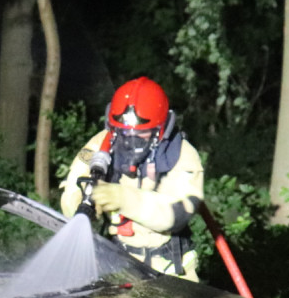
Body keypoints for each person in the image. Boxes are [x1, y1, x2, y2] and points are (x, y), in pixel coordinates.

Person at [59, 77, 205, 281]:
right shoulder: (99, 144)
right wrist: (78, 203)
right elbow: (75, 181)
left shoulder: (181, 156)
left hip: (169, 274)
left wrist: (123, 199)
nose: (128, 143)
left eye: (140, 135)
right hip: (113, 267)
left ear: (160, 131)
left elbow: (175, 214)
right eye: (122, 134)